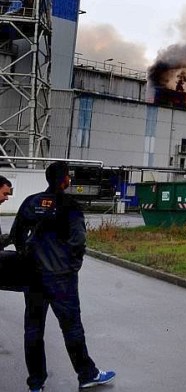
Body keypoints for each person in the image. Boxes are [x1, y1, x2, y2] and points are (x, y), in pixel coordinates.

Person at [11, 161, 116, 391]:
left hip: (34, 277)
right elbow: (78, 241)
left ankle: (36, 384)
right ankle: (87, 374)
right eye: (68, 176)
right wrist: (72, 266)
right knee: (72, 328)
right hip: (62, 279)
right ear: (64, 180)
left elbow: (16, 233)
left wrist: (26, 255)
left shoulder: (32, 202)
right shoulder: (71, 205)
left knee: (33, 330)